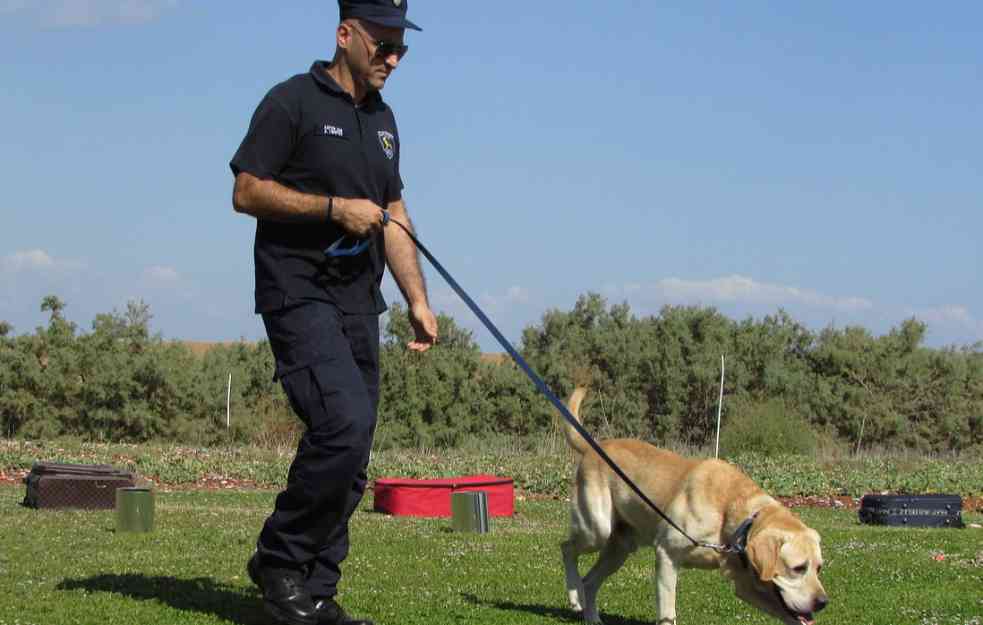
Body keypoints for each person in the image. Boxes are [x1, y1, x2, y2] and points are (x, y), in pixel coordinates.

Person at [229, 2, 437, 624]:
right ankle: (280, 560)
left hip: (358, 302)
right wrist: (331, 209)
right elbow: (246, 191)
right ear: (346, 35)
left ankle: (315, 592)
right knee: (341, 427)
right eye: (383, 45)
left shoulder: (384, 119)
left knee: (354, 451)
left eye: (401, 48)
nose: (393, 58)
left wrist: (417, 301)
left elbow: (394, 212)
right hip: (297, 293)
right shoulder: (290, 102)